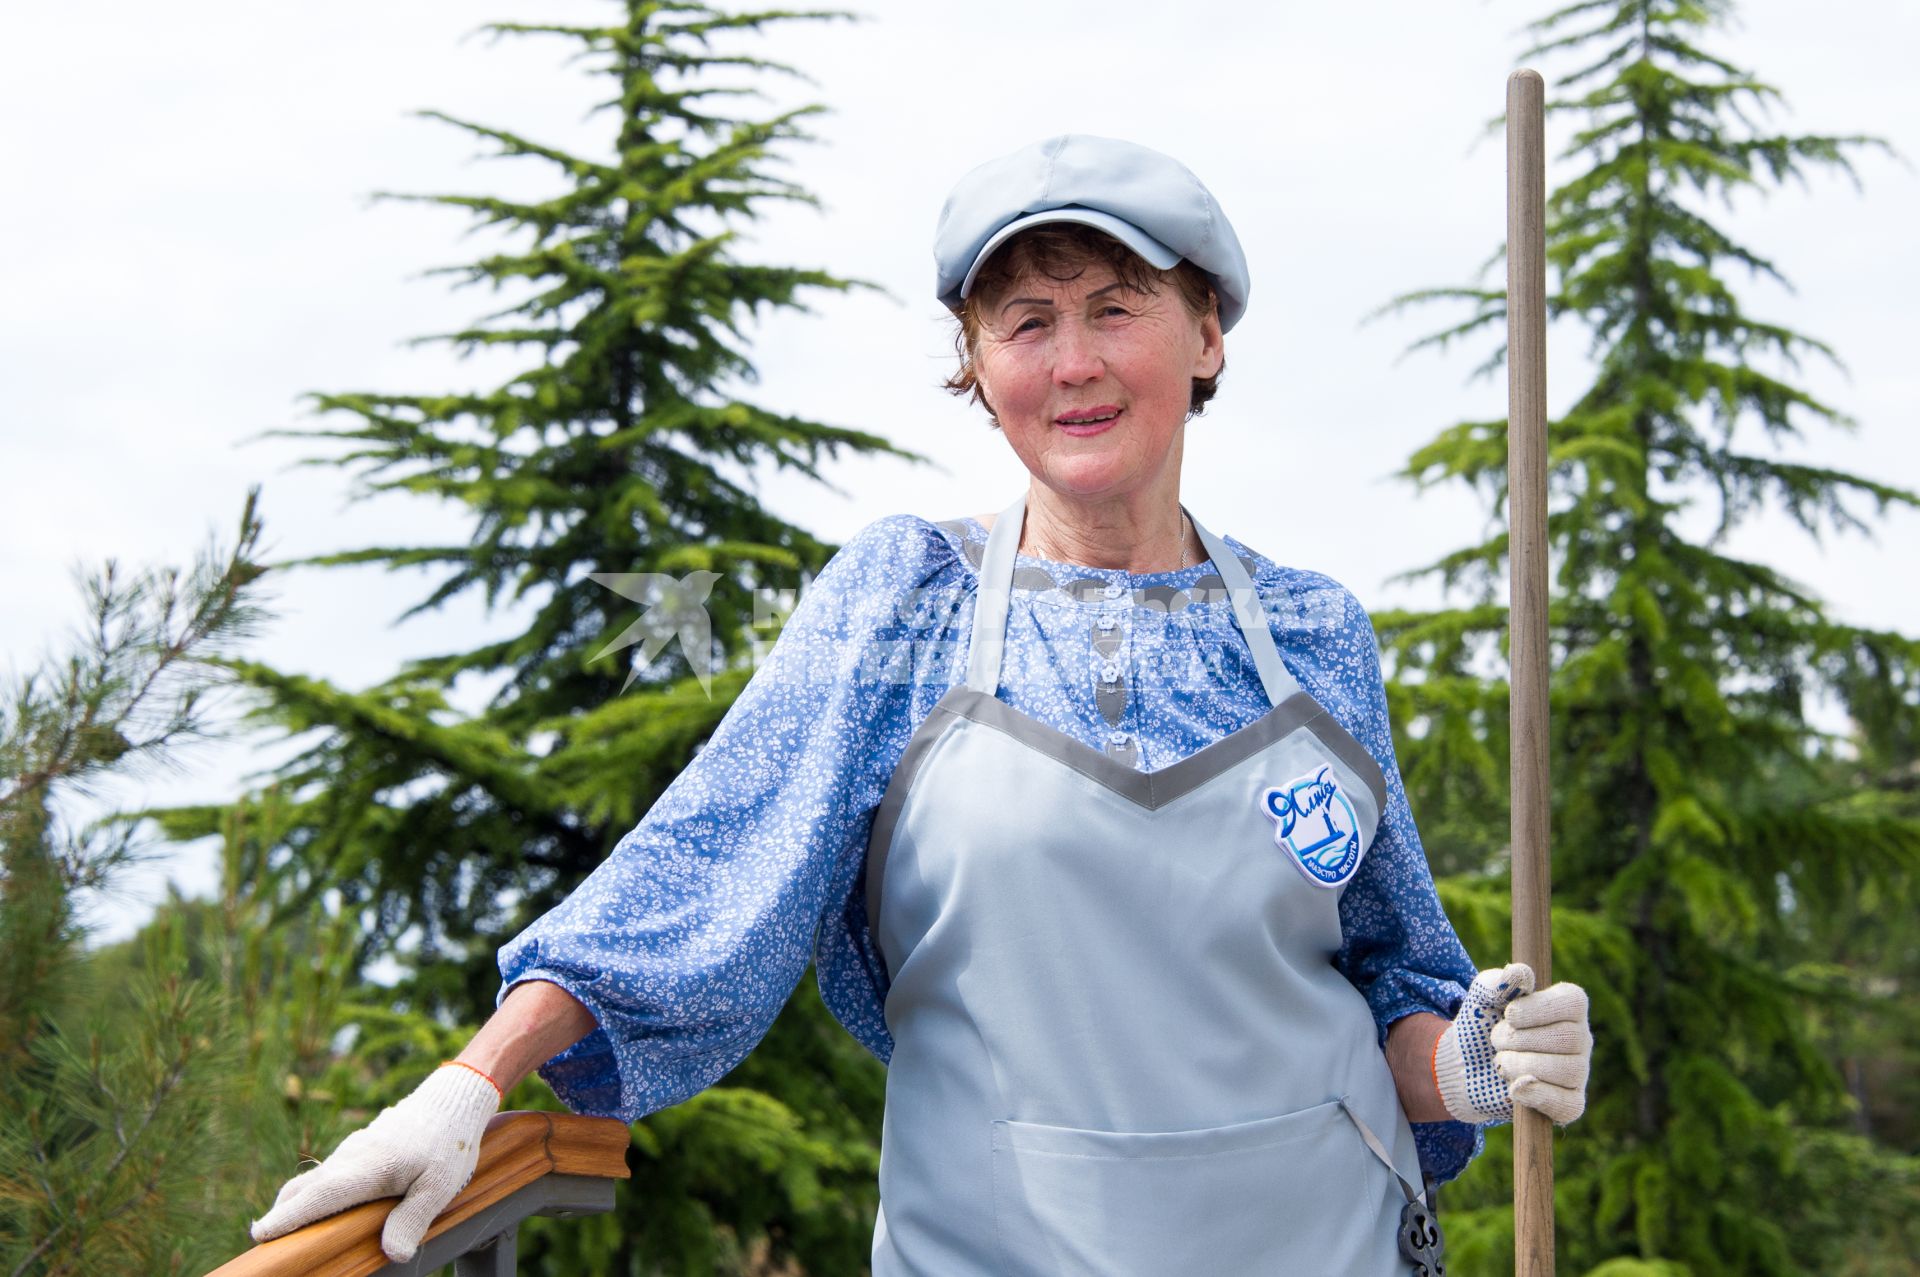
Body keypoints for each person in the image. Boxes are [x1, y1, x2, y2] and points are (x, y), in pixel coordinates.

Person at [250, 134, 1593, 1274]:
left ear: (1206, 333)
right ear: (979, 365)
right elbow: (701, 875)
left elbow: (1391, 988)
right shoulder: (905, 602)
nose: (1074, 360)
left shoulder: (1313, 635)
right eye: (1026, 322)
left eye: (1116, 305)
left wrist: (1476, 1061)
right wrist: (466, 1084)